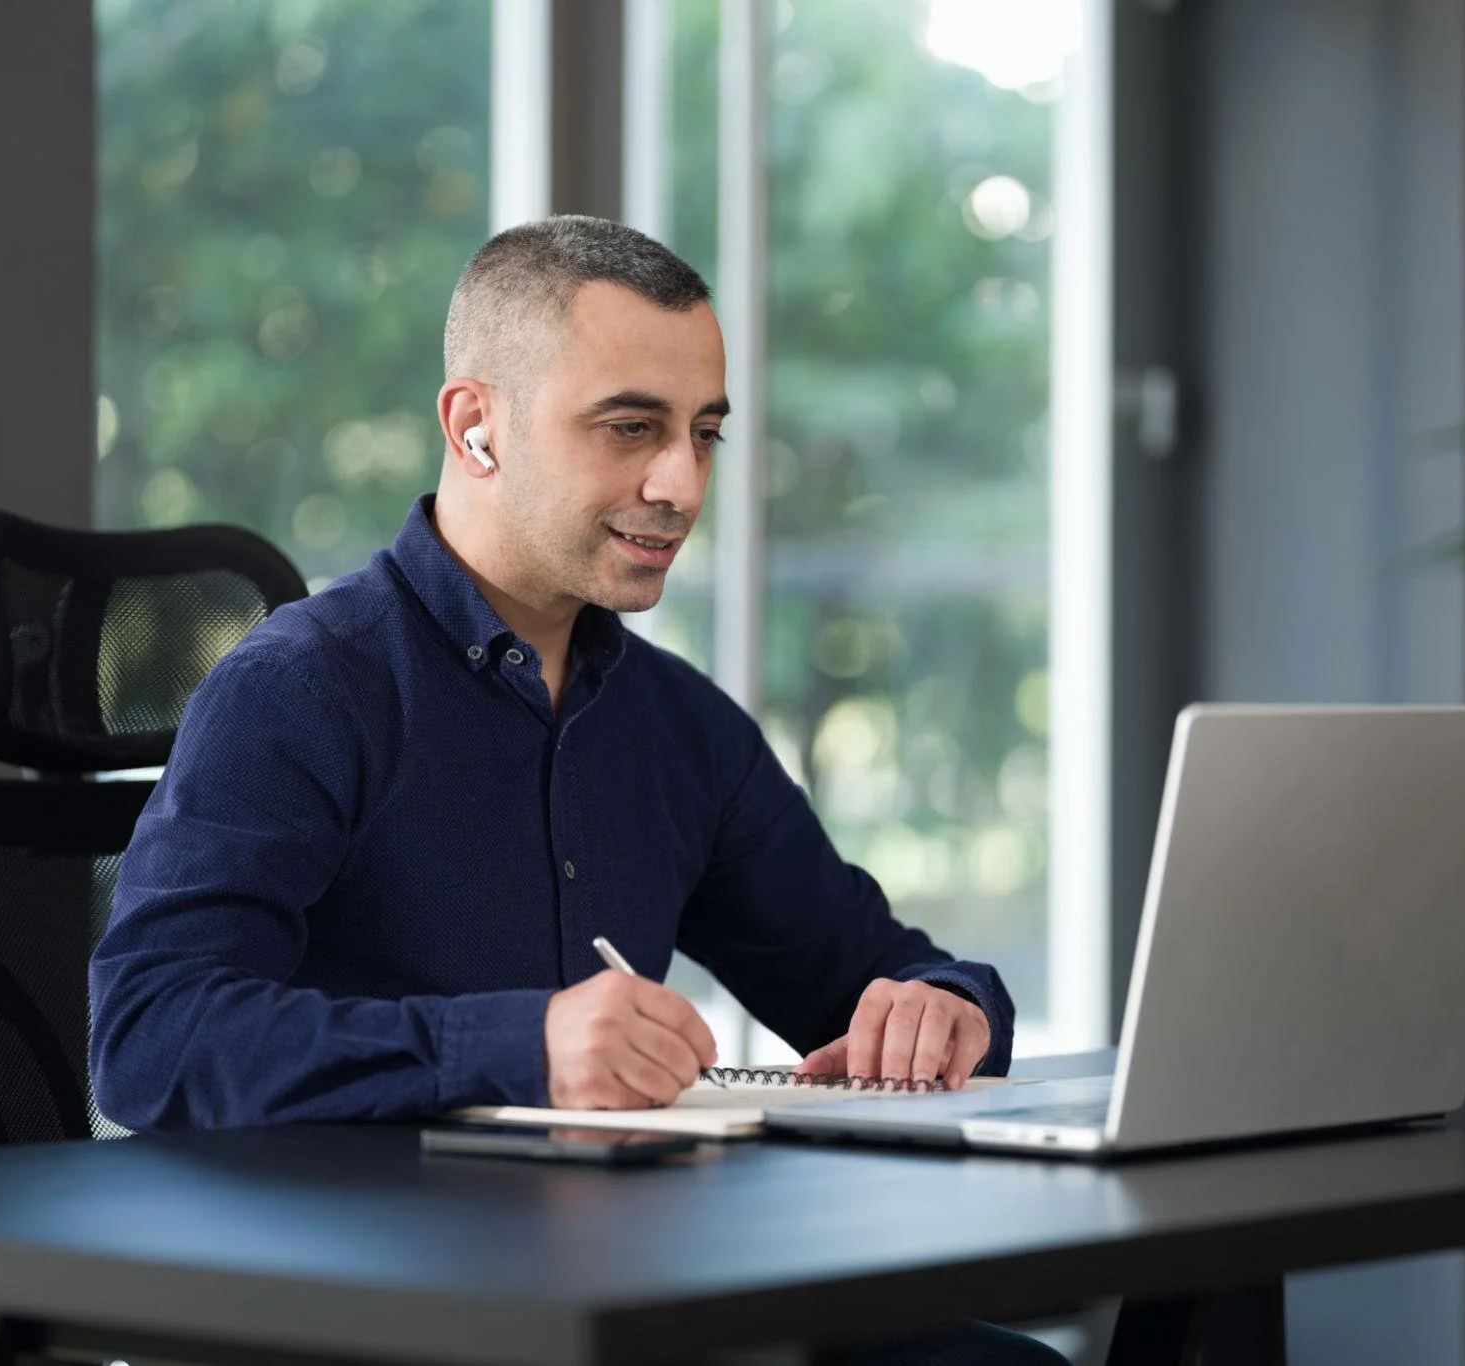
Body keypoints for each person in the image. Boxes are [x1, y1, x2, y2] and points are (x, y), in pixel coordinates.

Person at [90, 214, 1059, 1366]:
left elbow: (868, 968)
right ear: (476, 426)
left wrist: (943, 1005)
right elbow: (149, 1035)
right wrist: (521, 1044)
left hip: (617, 1293)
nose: (680, 482)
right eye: (630, 428)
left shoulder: (676, 728)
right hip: (367, 1311)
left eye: (702, 433)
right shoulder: (301, 690)